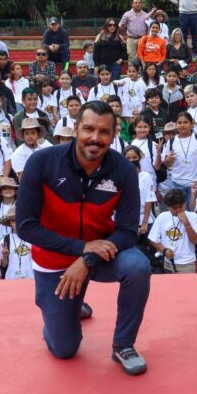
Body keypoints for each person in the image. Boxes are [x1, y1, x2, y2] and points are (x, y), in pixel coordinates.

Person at [15, 101, 152, 375]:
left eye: (104, 132)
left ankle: (123, 345)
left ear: (114, 135)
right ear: (76, 129)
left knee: (138, 266)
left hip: (99, 254)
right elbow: (26, 227)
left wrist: (86, 258)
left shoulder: (123, 169)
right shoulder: (42, 162)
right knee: (64, 350)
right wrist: (80, 248)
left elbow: (127, 231)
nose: (95, 138)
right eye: (88, 129)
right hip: (54, 260)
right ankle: (66, 311)